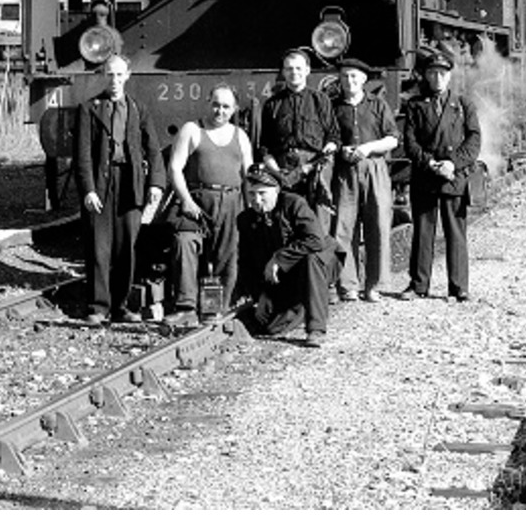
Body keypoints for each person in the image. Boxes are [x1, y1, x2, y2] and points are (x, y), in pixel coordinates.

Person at [72, 55, 164, 324]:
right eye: (109, 75)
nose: (114, 81)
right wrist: (88, 189)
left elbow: (153, 149)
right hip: (102, 181)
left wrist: (156, 184)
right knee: (99, 245)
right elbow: (82, 155)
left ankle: (122, 305)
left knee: (127, 245)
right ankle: (99, 307)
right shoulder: (89, 108)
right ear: (104, 76)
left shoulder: (138, 109)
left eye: (119, 75)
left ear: (128, 75)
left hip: (130, 182)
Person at [162, 84, 253, 328]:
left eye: (225, 106)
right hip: (197, 201)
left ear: (234, 109)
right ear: (207, 103)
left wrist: (250, 209)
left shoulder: (240, 136)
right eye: (215, 104)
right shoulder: (192, 130)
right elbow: (175, 168)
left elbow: (249, 176)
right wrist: (186, 201)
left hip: (231, 202)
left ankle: (214, 310)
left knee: (226, 256)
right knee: (184, 243)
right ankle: (186, 307)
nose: (219, 111)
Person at [398, 50, 482, 303]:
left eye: (442, 73)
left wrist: (452, 164)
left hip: (453, 175)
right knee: (423, 231)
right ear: (425, 75)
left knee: (456, 231)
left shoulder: (464, 103)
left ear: (449, 76)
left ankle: (458, 287)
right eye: (432, 73)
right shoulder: (414, 105)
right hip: (426, 174)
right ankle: (418, 284)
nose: (437, 78)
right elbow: (410, 142)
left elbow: (474, 139)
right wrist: (430, 163)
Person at [235, 168, 337, 347]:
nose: (256, 200)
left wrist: (279, 258)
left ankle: (316, 328)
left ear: (276, 190)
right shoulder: (245, 219)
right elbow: (247, 262)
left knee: (310, 260)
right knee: (270, 327)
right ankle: (302, 305)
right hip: (285, 275)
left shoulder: (294, 204)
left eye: (262, 193)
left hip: (321, 264)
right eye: (251, 194)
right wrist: (259, 296)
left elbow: (315, 240)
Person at [329, 57, 398, 303]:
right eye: (345, 76)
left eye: (354, 76)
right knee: (342, 226)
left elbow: (392, 138)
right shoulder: (333, 106)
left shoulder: (378, 105)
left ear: (364, 79)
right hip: (345, 170)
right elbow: (328, 138)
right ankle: (347, 284)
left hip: (374, 168)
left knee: (377, 224)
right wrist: (340, 151)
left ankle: (374, 285)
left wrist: (368, 148)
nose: (349, 81)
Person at [257, 48, 339, 230]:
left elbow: (334, 136)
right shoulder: (272, 104)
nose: (294, 73)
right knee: (286, 223)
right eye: (289, 69)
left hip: (315, 168)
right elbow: (265, 146)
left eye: (298, 68)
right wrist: (278, 173)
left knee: (317, 225)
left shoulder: (321, 100)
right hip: (282, 167)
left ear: (308, 70)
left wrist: (325, 155)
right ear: (283, 72)